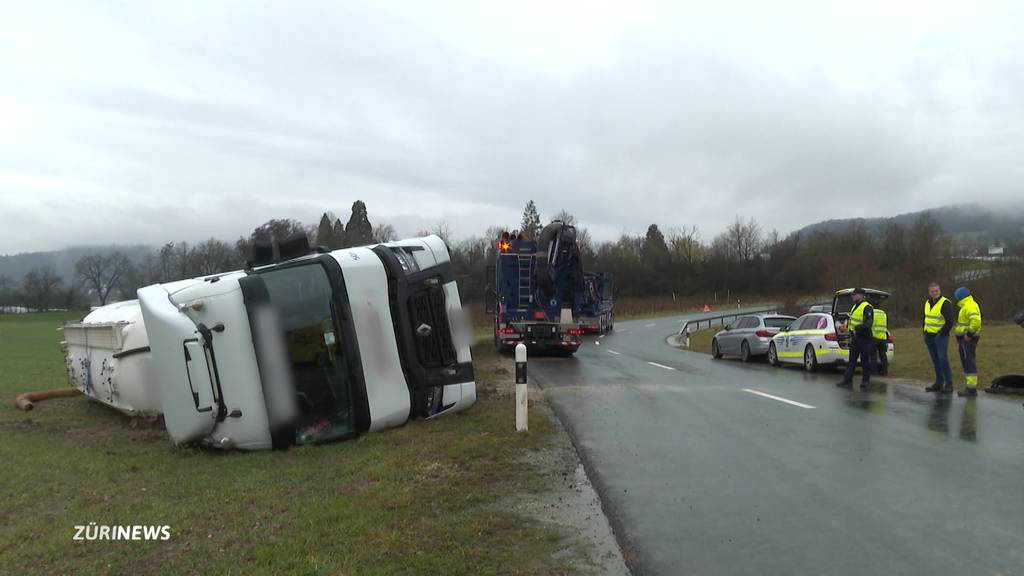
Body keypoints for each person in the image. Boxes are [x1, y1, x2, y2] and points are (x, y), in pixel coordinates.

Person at [837, 288, 874, 390]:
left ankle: (865, 381)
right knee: (851, 360)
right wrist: (846, 328)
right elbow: (852, 321)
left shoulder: (867, 307)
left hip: (864, 338)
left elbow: (868, 324)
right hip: (855, 338)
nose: (853, 296)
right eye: (853, 295)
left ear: (861, 295)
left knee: (864, 360)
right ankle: (847, 380)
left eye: (855, 295)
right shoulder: (854, 307)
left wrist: (857, 329)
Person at [923, 283, 956, 393]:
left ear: (940, 291)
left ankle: (949, 383)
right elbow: (926, 318)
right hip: (929, 336)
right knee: (935, 360)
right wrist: (924, 331)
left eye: (936, 291)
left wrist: (941, 333)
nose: (935, 293)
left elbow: (950, 321)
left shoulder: (945, 303)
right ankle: (939, 382)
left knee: (942, 359)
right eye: (932, 291)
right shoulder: (927, 303)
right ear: (929, 292)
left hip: (940, 336)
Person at [954, 287, 982, 397]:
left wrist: (969, 334)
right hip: (964, 338)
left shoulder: (969, 305)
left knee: (968, 361)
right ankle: (970, 386)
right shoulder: (967, 305)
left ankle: (971, 388)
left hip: (967, 339)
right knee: (967, 361)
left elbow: (976, 322)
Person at [873, 305, 889, 375]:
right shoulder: (883, 313)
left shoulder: (872, 313)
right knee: (883, 355)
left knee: (873, 356)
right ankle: (884, 372)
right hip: (883, 337)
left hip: (874, 337)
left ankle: (874, 371)